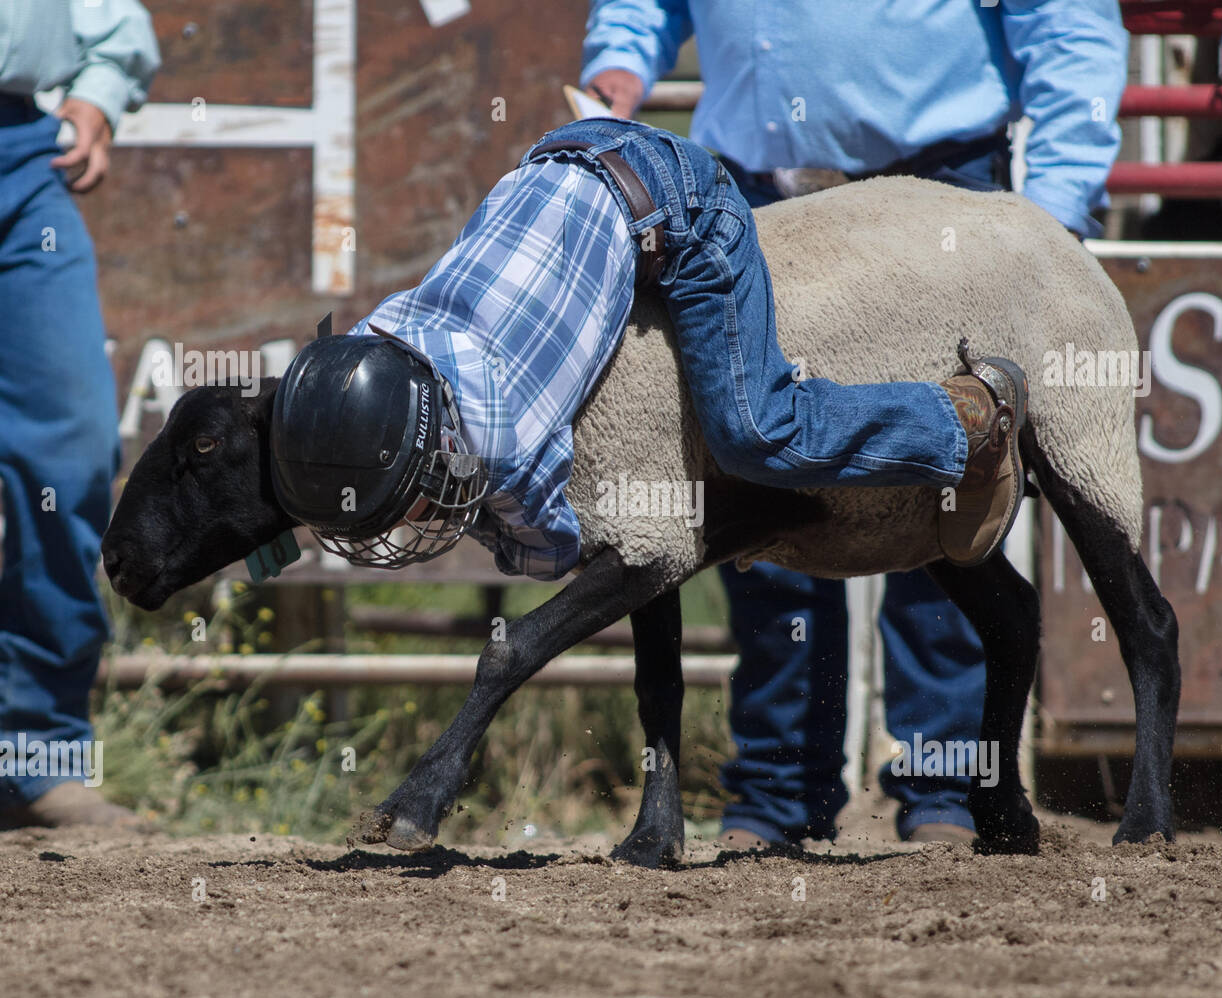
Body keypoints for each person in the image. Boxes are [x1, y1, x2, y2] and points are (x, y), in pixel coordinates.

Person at [580, 0, 1128, 847]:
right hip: (750, 198)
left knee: (944, 488)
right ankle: (777, 791)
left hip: (936, 199)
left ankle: (941, 785)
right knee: (753, 502)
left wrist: (1050, 213)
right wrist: (619, 61)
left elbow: (1066, 20)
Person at [270, 117, 1029, 651]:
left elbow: (561, 549)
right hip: (574, 156)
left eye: (407, 500)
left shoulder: (502, 435)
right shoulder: (387, 337)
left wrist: (473, 515)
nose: (413, 518)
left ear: (435, 444)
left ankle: (964, 423)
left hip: (686, 203)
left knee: (755, 431)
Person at [0, 1, 160, 827]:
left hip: (21, 158)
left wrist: (97, 89)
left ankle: (36, 759)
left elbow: (108, 22)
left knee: (72, 446)